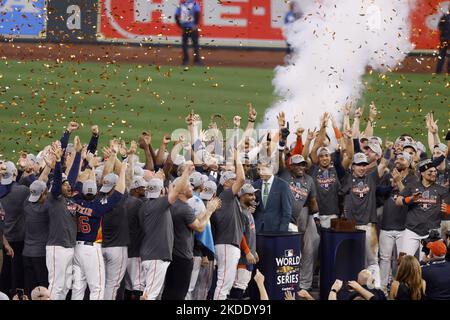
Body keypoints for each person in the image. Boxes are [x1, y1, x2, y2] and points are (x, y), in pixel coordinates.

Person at [161, 163, 221, 300]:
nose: (191, 188)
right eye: (188, 186)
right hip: (182, 256)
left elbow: (191, 221)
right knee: (179, 294)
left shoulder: (172, 205)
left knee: (169, 292)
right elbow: (200, 227)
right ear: (181, 191)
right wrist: (210, 210)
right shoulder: (184, 208)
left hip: (172, 254)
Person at [395, 159, 448, 259]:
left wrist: (448, 209)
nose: (433, 174)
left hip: (431, 232)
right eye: (430, 172)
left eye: (435, 171)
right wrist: (410, 199)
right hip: (412, 231)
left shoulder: (441, 190)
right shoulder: (412, 186)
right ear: (422, 173)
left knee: (427, 263)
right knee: (403, 261)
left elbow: (448, 207)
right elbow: (398, 201)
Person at [253, 163, 293, 233]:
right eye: (258, 169)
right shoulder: (255, 185)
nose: (260, 172)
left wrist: (282, 231)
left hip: (275, 230)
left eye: (263, 169)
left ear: (271, 169)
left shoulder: (283, 185)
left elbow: (287, 212)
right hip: (257, 229)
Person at [175, 0, 202, 66]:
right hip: (192, 27)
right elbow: (197, 13)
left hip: (185, 27)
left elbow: (176, 15)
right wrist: (195, 24)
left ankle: (185, 61)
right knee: (195, 44)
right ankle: (196, 61)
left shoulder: (181, 4)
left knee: (185, 45)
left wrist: (180, 26)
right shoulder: (194, 3)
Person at [436, 4, 450, 74]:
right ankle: (446, 71)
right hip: (445, 39)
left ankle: (438, 71)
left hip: (444, 39)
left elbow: (440, 27)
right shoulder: (445, 16)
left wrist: (443, 36)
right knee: (442, 55)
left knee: (441, 55)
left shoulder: (444, 16)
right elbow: (440, 27)